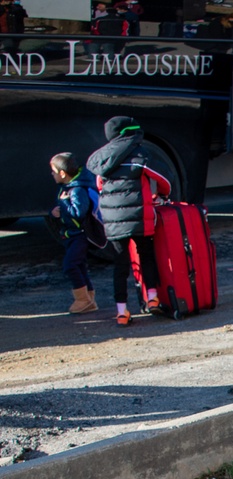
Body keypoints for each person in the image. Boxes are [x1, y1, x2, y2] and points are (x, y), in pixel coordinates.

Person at [86, 116, 171, 327]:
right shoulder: (140, 154)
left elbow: (99, 186)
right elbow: (163, 179)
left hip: (114, 221)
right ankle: (152, 298)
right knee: (147, 256)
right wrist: (162, 195)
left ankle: (122, 312)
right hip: (139, 218)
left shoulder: (102, 158)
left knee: (120, 265)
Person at [49, 153, 99, 314]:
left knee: (70, 266)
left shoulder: (77, 189)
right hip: (72, 234)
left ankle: (82, 299)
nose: (52, 174)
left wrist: (64, 203)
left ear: (63, 173)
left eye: (54, 171)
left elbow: (78, 213)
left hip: (80, 235)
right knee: (80, 266)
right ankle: (89, 299)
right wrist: (57, 212)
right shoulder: (69, 187)